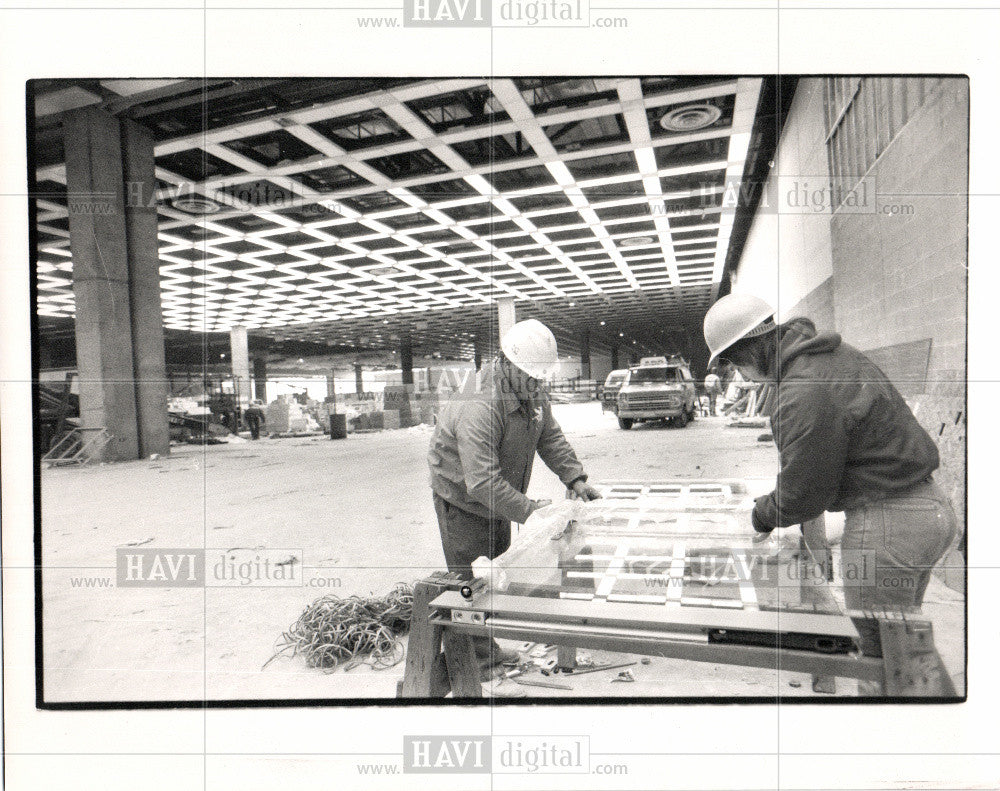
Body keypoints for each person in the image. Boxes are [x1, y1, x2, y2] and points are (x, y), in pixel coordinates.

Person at [702, 293, 957, 611]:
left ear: (749, 351)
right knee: (903, 645)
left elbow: (805, 493)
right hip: (929, 511)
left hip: (888, 525)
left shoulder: (802, 388)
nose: (742, 375)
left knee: (877, 651)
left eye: (737, 365)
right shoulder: (831, 355)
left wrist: (762, 515)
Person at [428, 319, 602, 674]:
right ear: (507, 362)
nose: (537, 385)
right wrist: (531, 511)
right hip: (462, 499)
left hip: (497, 496)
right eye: (530, 376)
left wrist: (576, 478)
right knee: (468, 581)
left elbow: (549, 436)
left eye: (541, 378)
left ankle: (486, 648)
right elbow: (481, 482)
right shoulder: (478, 402)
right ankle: (477, 660)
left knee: (494, 571)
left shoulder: (530, 388)